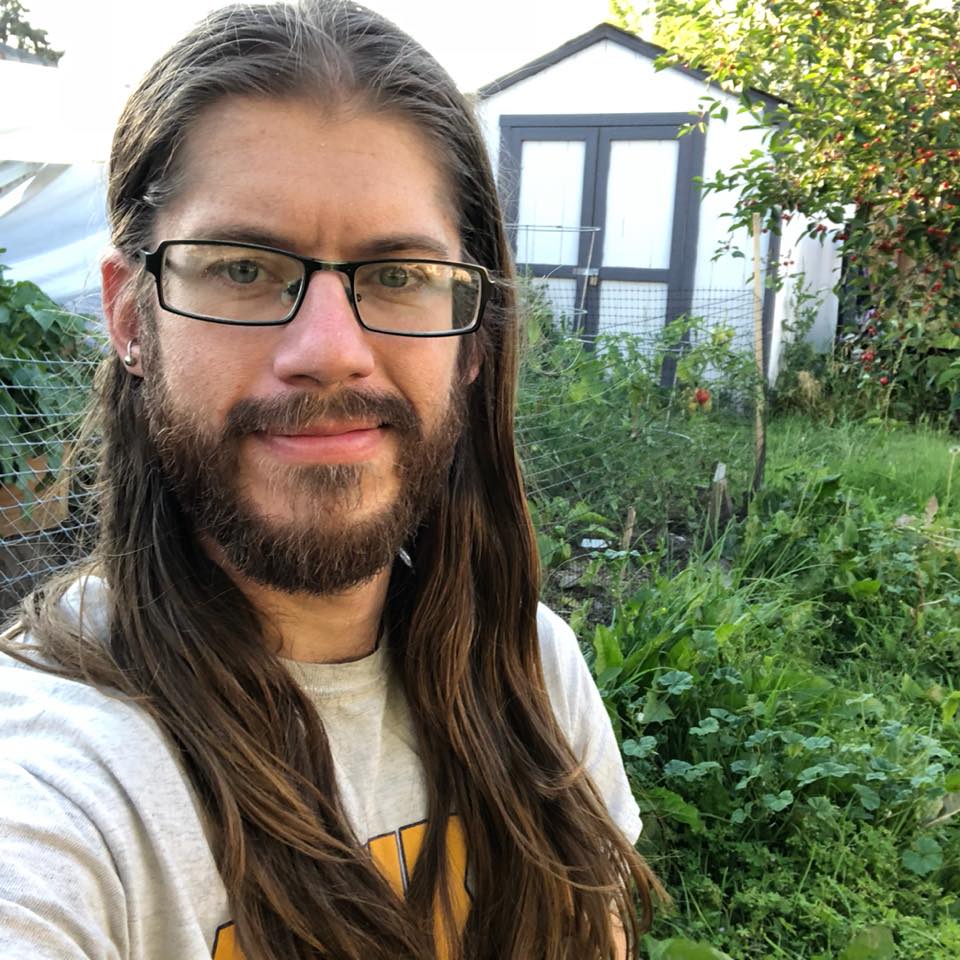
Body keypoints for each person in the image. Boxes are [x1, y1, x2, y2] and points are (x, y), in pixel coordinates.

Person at [0, 2, 664, 958]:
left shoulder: (532, 670)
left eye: (399, 274)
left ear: (473, 341)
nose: (328, 351)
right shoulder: (56, 785)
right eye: (243, 268)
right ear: (131, 318)